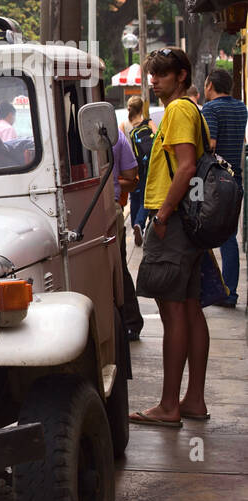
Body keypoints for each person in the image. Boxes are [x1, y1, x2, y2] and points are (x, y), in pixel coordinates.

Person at [131, 47, 209, 427]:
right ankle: (192, 399)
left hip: (173, 220)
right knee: (191, 309)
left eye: (162, 74)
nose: (154, 80)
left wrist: (161, 215)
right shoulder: (192, 109)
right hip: (188, 223)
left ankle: (168, 405)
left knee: (173, 311)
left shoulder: (178, 110)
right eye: (152, 74)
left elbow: (186, 167)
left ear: (181, 75)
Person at [201, 68, 246, 308]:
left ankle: (220, 291)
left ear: (209, 85)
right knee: (230, 236)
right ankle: (230, 289)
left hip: (214, 181)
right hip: (235, 180)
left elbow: (211, 143)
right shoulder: (241, 108)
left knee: (205, 231)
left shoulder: (211, 109)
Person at [111, 123, 143, 340]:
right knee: (118, 266)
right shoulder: (117, 137)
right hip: (110, 207)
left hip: (104, 208)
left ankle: (128, 321)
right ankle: (130, 322)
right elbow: (132, 179)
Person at [126, 95, 156, 247]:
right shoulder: (148, 122)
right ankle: (139, 223)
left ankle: (135, 226)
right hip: (147, 168)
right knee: (146, 198)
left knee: (135, 198)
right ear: (142, 108)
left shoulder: (126, 126)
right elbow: (158, 139)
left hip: (132, 168)